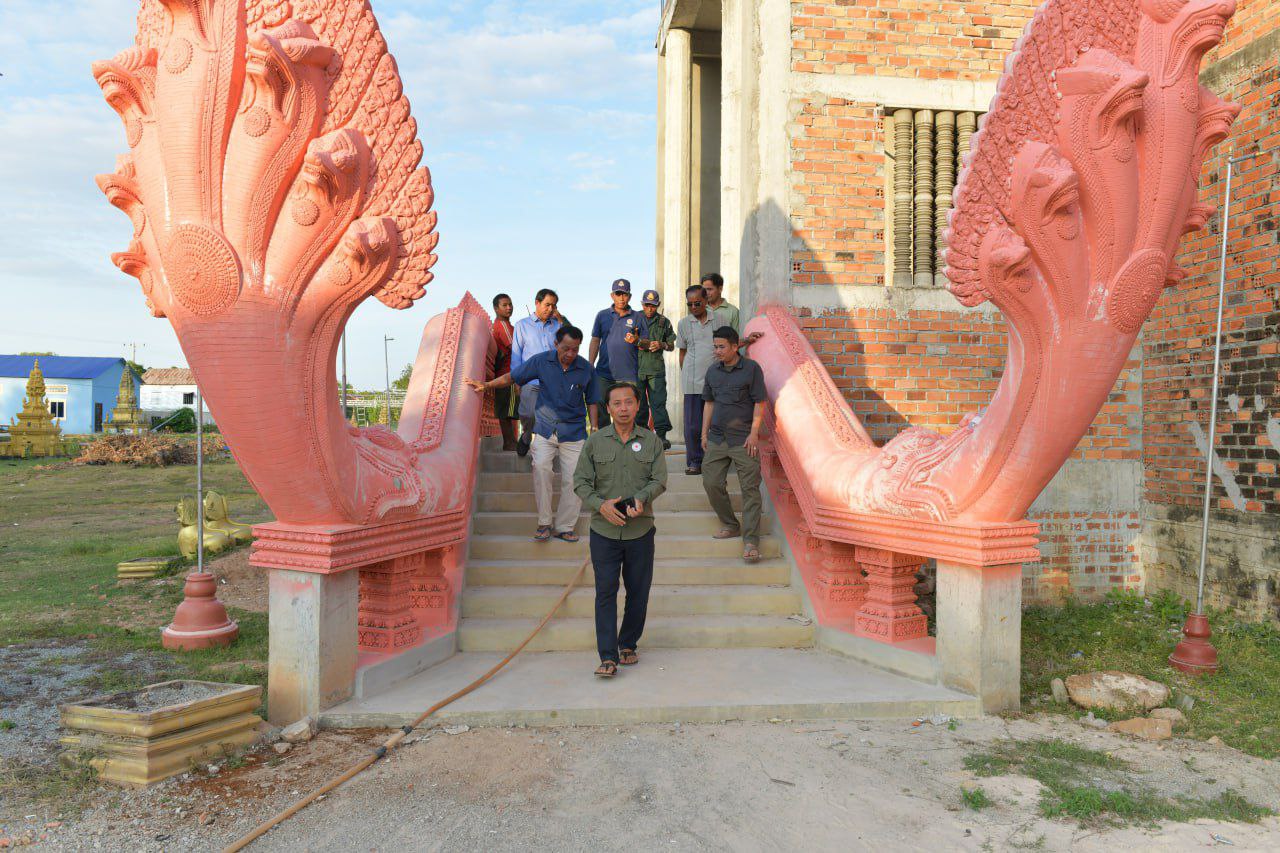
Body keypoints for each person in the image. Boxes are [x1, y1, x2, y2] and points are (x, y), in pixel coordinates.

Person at [468, 325, 599, 542]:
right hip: (545, 429)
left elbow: (592, 400)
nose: (570, 354)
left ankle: (565, 526)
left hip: (574, 432)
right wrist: (487, 385)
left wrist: (594, 429)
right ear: (556, 344)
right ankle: (544, 523)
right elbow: (512, 377)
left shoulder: (586, 369)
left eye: (575, 349)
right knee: (541, 469)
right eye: (566, 348)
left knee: (575, 479)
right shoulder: (541, 361)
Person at [573, 382, 668, 678]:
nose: (623, 408)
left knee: (638, 592)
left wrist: (643, 498)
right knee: (605, 592)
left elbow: (659, 480)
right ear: (608, 408)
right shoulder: (595, 441)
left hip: (640, 530)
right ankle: (607, 656)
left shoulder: (651, 441)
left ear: (638, 405)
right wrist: (600, 505)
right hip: (604, 531)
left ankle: (627, 643)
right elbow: (580, 482)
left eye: (629, 402)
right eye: (617, 403)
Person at [701, 326, 768, 563]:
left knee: (750, 489)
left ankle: (751, 541)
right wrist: (704, 434)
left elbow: (760, 402)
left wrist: (754, 434)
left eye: (721, 347)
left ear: (734, 346)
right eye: (715, 347)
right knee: (711, 482)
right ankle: (730, 524)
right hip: (717, 438)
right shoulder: (712, 371)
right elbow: (709, 403)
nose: (717, 351)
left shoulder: (751, 369)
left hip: (743, 440)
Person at [510, 288, 563, 457]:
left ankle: (545, 449)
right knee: (528, 413)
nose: (550, 309)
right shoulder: (522, 325)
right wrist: (516, 379)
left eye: (553, 306)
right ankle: (526, 435)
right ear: (537, 303)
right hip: (530, 379)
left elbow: (566, 350)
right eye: (547, 305)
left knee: (551, 416)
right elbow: (516, 354)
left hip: (553, 381)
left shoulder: (558, 326)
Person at [589, 279, 648, 427]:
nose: (621, 298)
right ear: (612, 295)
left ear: (630, 296)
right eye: (618, 294)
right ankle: (604, 438)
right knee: (601, 406)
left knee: (629, 410)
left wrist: (637, 341)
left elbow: (646, 344)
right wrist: (590, 364)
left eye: (625, 294)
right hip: (604, 373)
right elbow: (595, 340)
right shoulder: (602, 315)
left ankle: (631, 438)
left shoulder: (638, 317)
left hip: (629, 375)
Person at [676, 284, 716, 475]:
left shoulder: (720, 319)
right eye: (689, 304)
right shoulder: (683, 324)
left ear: (706, 300)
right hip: (692, 381)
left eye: (697, 303)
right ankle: (694, 461)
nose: (693, 307)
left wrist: (747, 340)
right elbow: (682, 353)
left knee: (714, 423)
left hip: (715, 382)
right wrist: (686, 374)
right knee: (692, 425)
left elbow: (728, 344)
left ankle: (713, 461)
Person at [635, 289, 675, 450]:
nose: (649, 308)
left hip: (656, 369)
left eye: (652, 305)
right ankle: (642, 435)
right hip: (637, 369)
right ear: (642, 304)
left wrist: (661, 344)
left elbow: (671, 345)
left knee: (658, 403)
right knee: (639, 405)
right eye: (646, 305)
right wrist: (638, 342)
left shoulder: (664, 322)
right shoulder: (634, 318)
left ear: (658, 305)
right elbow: (626, 339)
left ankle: (661, 436)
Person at [490, 293, 519, 451]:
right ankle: (510, 443)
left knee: (507, 410)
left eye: (510, 304)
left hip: (504, 374)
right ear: (496, 308)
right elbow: (515, 348)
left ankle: (511, 442)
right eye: (505, 305)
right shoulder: (503, 325)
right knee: (508, 411)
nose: (509, 308)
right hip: (508, 373)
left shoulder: (505, 325)